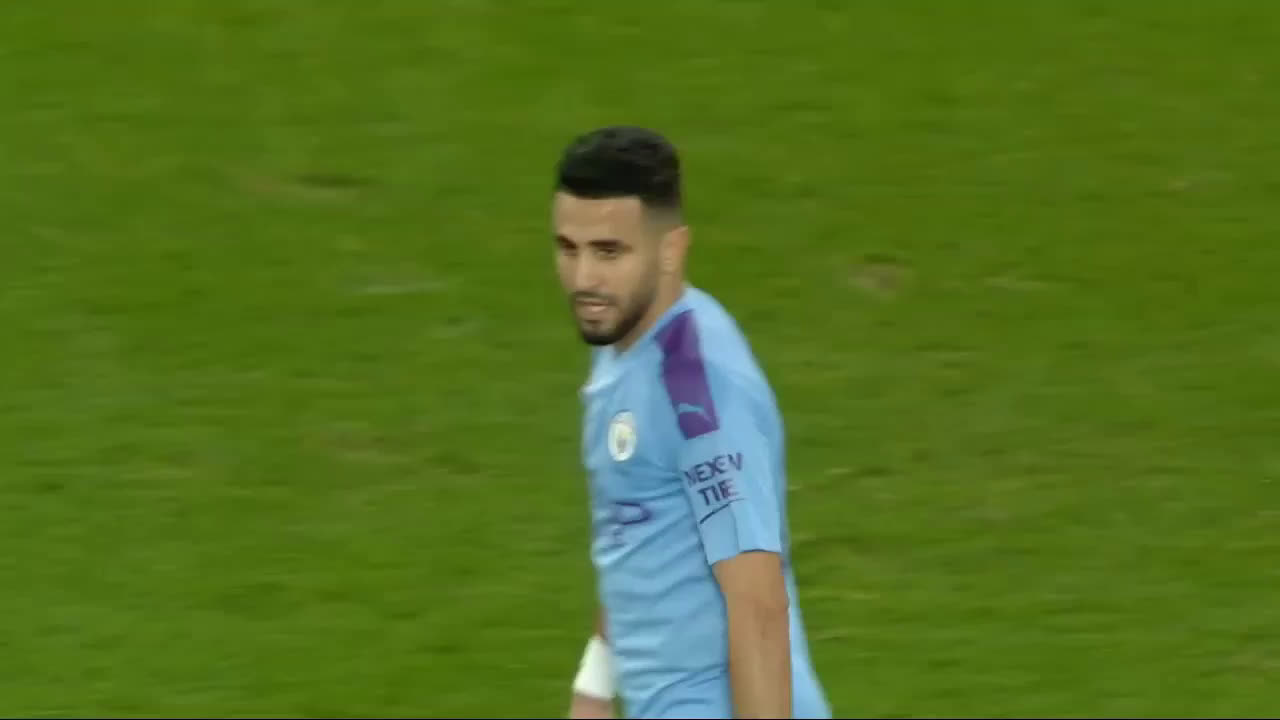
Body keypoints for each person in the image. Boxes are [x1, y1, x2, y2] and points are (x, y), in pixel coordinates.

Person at [552, 126, 832, 719]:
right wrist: (596, 683)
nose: (583, 280)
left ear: (671, 251)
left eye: (608, 252)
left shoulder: (698, 391)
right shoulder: (621, 339)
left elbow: (756, 602)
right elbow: (634, 527)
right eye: (569, 249)